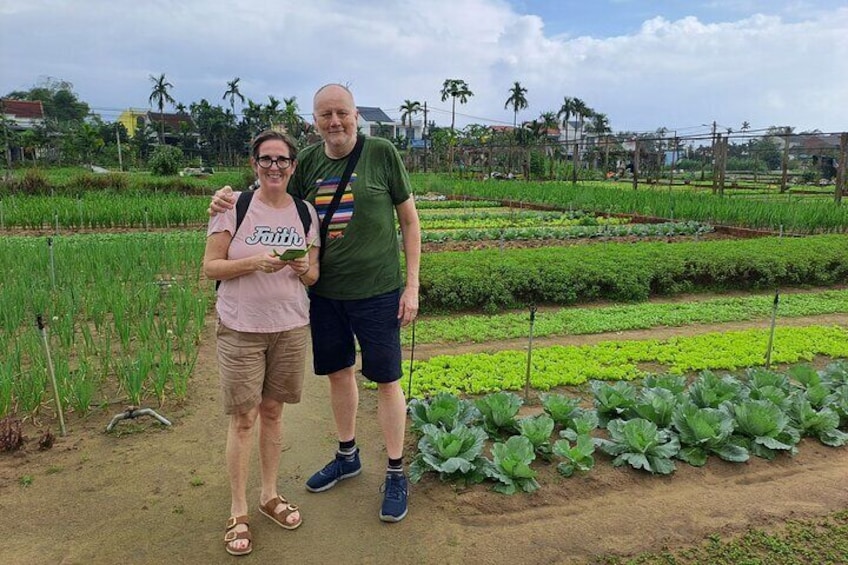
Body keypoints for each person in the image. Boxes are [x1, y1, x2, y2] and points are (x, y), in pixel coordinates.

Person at [210, 83, 421, 523]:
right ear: (315, 121)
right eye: (325, 115)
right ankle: (347, 455)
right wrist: (227, 199)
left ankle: (396, 471)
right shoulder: (305, 160)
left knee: (386, 380)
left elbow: (409, 219)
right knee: (339, 375)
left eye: (342, 112)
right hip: (323, 293)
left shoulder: (380, 152)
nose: (335, 122)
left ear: (355, 114)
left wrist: (412, 286)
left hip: (378, 289)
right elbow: (275, 193)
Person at [204, 130, 321, 556]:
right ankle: (238, 510)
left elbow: (313, 276)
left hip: (289, 326)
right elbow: (211, 267)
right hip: (241, 328)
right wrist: (256, 262)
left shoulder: (306, 214)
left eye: (282, 160)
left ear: (292, 166)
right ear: (254, 164)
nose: (275, 166)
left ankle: (269, 495)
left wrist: (303, 269)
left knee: (273, 412)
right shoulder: (234, 206)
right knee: (244, 418)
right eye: (266, 159)